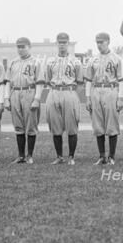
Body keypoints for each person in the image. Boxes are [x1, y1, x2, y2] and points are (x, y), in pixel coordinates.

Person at [39, 32, 83, 165]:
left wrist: (74, 96)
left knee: (71, 127)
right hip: (54, 91)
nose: (62, 45)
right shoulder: (50, 61)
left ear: (68, 44)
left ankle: (71, 157)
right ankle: (59, 156)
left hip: (69, 92)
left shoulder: (75, 61)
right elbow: (47, 80)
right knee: (55, 126)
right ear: (56, 44)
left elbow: (80, 82)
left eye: (64, 42)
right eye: (60, 42)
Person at [85, 32, 123, 165]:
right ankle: (102, 156)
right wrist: (88, 98)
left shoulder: (117, 58)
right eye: (97, 42)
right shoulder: (93, 59)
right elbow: (89, 80)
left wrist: (120, 98)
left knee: (112, 124)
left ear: (108, 41)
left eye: (102, 42)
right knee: (98, 125)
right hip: (96, 90)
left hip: (111, 90)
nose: (99, 45)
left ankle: (112, 156)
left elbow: (121, 80)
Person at [4, 37, 43, 164]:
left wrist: (37, 99)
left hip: (29, 91)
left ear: (29, 47)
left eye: (23, 46)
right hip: (15, 92)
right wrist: (6, 98)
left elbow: (40, 82)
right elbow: (8, 82)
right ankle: (21, 156)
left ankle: (29, 155)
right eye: (19, 47)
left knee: (31, 125)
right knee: (18, 126)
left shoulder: (36, 62)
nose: (20, 49)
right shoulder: (13, 62)